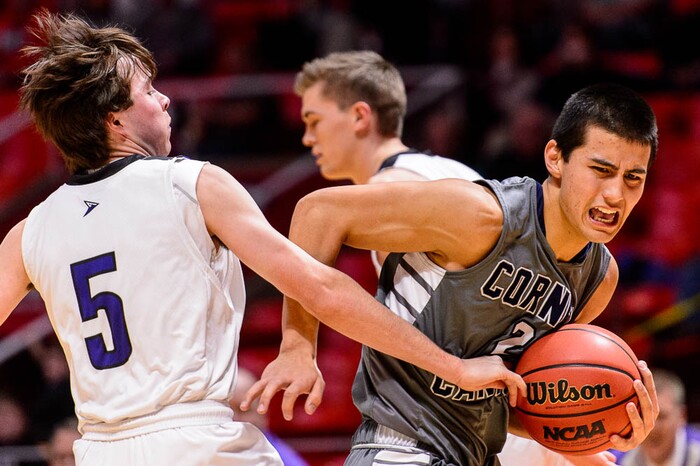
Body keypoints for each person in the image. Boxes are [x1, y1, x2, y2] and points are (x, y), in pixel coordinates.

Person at [0, 10, 528, 465]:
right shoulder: (189, 184)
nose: (164, 101)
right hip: (198, 441)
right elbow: (320, 288)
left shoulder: (30, 231)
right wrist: (453, 367)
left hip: (99, 451)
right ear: (114, 118)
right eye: (148, 90)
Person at [242, 81, 660, 465]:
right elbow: (317, 213)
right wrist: (297, 345)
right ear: (555, 158)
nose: (614, 194)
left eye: (633, 179)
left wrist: (590, 431)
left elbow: (517, 397)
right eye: (601, 170)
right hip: (401, 447)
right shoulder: (481, 215)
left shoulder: (597, 279)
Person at [612, 368, 700, 466]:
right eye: (644, 416)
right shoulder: (614, 460)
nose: (652, 426)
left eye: (661, 417)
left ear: (682, 417)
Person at [231, 367, 309, 466]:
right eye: (228, 411)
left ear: (263, 411)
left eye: (244, 410)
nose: (235, 420)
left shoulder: (285, 461)